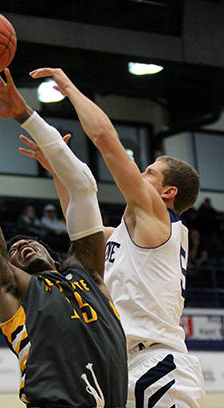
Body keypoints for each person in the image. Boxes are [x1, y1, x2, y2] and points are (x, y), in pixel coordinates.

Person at [0, 53, 127, 407]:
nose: (22, 248)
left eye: (29, 242)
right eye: (14, 252)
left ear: (53, 254)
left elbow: (83, 188)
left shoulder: (88, 274)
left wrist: (24, 115)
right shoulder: (16, 291)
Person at [26, 68, 206, 407]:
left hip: (159, 366)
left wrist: (69, 87)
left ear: (168, 192)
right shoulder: (125, 234)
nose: (139, 173)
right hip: (122, 365)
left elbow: (106, 139)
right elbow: (80, 221)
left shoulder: (157, 219)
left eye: (149, 171)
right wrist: (58, 172)